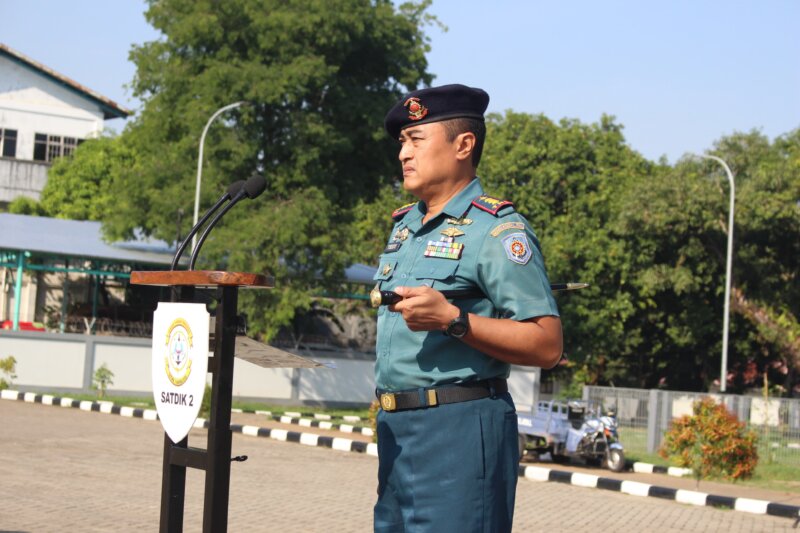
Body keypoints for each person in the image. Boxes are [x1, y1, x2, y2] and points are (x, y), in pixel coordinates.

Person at [372, 84, 563, 532]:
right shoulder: (406, 228)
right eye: (402, 142)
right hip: (396, 430)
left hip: (459, 428)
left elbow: (547, 344)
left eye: (416, 139)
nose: (403, 153)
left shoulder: (496, 231)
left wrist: (454, 320)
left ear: (463, 144)